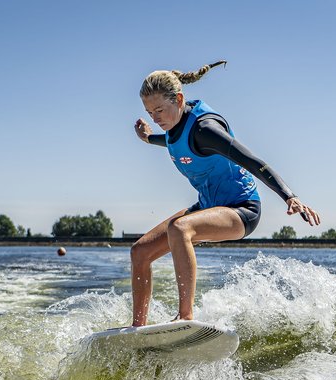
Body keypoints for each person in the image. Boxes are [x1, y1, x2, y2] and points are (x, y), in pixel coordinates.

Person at [131, 61, 320, 327]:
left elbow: (251, 159)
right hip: (209, 205)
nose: (156, 118)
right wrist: (148, 138)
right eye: (150, 113)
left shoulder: (206, 130)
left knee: (179, 228)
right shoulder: (174, 127)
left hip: (241, 209)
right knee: (139, 252)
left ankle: (185, 318)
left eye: (160, 110)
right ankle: (137, 329)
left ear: (180, 99)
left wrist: (289, 195)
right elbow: (173, 139)